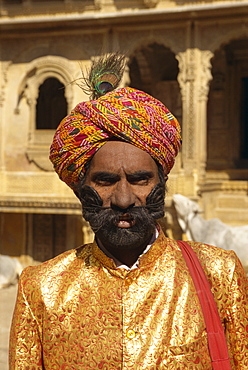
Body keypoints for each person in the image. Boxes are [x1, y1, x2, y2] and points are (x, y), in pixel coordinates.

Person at [9, 53, 248, 369]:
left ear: (161, 182)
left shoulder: (217, 274)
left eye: (139, 179)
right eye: (106, 181)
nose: (123, 199)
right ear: (83, 190)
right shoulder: (41, 288)